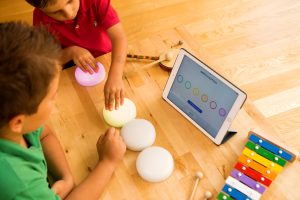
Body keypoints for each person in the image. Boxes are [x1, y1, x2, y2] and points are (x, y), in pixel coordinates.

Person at [0, 21, 126, 200]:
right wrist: (107, 163)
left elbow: (44, 134)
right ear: (17, 122)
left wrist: (66, 177)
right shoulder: (19, 184)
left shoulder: (11, 120)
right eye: (52, 98)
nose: (56, 100)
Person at [25, 0, 128, 111]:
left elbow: (119, 38)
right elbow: (46, 60)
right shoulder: (41, 20)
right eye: (56, 12)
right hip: (73, 68)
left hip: (108, 59)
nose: (69, 13)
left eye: (70, 1)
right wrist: (70, 52)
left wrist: (116, 76)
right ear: (41, 10)